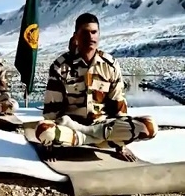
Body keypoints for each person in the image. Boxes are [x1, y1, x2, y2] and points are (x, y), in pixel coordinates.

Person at [34, 13, 158, 162]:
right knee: (44, 131)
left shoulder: (110, 65)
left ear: (99, 34)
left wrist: (121, 145)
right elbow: (52, 110)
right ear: (76, 36)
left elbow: (118, 105)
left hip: (103, 128)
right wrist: (49, 145)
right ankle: (95, 140)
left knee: (149, 127)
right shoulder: (60, 66)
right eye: (85, 33)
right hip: (71, 128)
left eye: (94, 32)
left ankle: (98, 138)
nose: (90, 37)